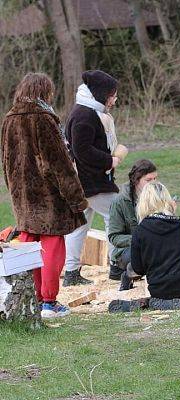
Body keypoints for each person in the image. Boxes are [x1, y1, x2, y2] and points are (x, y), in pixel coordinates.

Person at [1, 73, 87, 318]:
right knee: (51, 246)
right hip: (48, 195)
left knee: (28, 245)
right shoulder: (43, 118)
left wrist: (14, 189)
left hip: (22, 194)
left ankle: (32, 299)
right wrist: (75, 198)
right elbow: (57, 164)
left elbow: (6, 161)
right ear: (43, 92)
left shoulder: (9, 118)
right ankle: (48, 301)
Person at [111, 181, 180, 312]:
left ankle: (150, 303)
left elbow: (138, 268)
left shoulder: (140, 231)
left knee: (162, 296)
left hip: (160, 289)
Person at [63, 70, 122, 286]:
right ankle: (117, 266)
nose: (114, 99)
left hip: (86, 181)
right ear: (101, 94)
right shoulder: (84, 116)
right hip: (91, 182)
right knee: (116, 217)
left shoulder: (87, 112)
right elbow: (82, 151)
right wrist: (109, 161)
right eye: (112, 95)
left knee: (80, 225)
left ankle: (71, 273)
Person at [108, 160, 158, 290]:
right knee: (143, 253)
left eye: (155, 179)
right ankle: (127, 274)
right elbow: (114, 236)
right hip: (127, 250)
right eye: (148, 180)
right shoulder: (120, 201)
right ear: (136, 181)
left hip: (153, 245)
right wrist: (139, 240)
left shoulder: (158, 198)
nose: (153, 183)